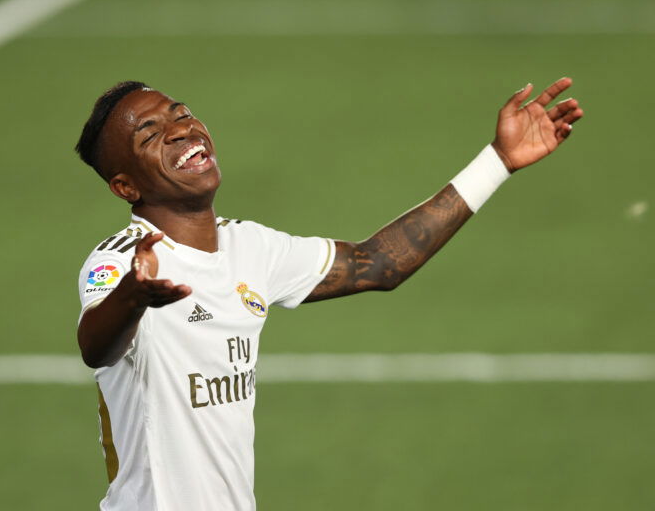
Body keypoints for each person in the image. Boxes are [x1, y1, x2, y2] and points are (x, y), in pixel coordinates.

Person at [74, 78, 583, 510]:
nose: (180, 128)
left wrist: (497, 161)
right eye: (151, 133)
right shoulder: (121, 261)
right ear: (124, 187)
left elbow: (378, 263)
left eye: (179, 113)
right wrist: (133, 297)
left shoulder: (250, 247)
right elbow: (96, 345)